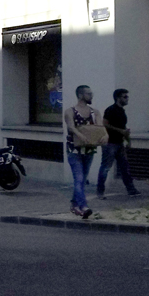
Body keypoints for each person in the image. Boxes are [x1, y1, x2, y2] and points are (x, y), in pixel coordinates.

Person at [97, 89, 140, 199]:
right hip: (110, 143)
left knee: (124, 167)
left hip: (119, 143)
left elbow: (124, 127)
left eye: (127, 97)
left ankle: (131, 190)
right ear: (118, 98)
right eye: (125, 97)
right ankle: (100, 192)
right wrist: (121, 131)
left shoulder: (122, 111)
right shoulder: (111, 110)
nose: (127, 99)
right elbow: (105, 124)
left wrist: (128, 140)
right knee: (106, 167)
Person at [64, 85, 99, 219]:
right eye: (88, 94)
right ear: (80, 95)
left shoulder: (95, 112)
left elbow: (99, 127)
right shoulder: (70, 111)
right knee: (78, 178)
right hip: (74, 149)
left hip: (89, 149)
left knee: (83, 179)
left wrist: (104, 135)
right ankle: (84, 206)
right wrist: (80, 135)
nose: (91, 96)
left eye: (91, 93)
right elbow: (71, 127)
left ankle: (74, 204)